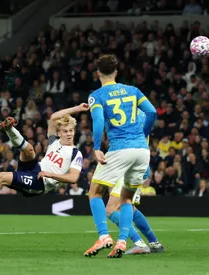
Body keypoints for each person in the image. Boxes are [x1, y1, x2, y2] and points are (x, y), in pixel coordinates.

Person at [0, 104, 89, 215]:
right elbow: (53, 117)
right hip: (35, 169)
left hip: (40, 183)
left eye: (71, 130)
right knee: (29, 149)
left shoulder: (76, 153)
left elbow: (73, 178)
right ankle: (9, 129)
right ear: (59, 132)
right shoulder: (54, 141)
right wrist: (77, 108)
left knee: (1, 177)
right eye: (65, 131)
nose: (69, 134)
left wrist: (50, 175)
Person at [84, 54, 157, 258]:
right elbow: (151, 112)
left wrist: (97, 147)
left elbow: (98, 121)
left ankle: (104, 236)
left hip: (119, 148)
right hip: (142, 151)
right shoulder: (133, 91)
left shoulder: (97, 95)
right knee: (126, 199)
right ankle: (124, 241)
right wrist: (142, 136)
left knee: (95, 192)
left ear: (98, 73)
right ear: (116, 72)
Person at [105, 110, 164, 255]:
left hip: (129, 166)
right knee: (128, 207)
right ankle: (154, 242)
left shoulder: (127, 114)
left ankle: (139, 243)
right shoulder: (141, 113)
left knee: (111, 209)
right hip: (140, 164)